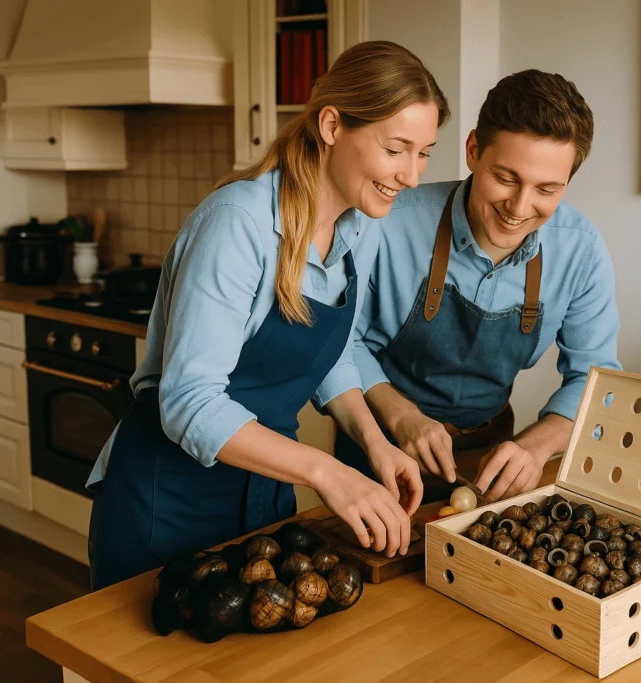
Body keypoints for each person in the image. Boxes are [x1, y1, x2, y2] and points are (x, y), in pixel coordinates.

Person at [87, 41, 450, 590]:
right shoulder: (238, 223)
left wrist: (375, 442)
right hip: (169, 498)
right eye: (397, 149)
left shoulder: (361, 224)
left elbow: (328, 352)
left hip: (265, 495)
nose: (413, 175)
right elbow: (189, 404)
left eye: (424, 152)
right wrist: (328, 472)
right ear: (332, 125)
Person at [318, 69, 620, 504]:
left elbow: (597, 381)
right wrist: (401, 416)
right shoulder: (385, 222)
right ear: (474, 150)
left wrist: (535, 446)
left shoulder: (581, 250)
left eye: (547, 189)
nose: (518, 208)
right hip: (380, 448)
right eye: (506, 178)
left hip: (492, 458)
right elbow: (337, 344)